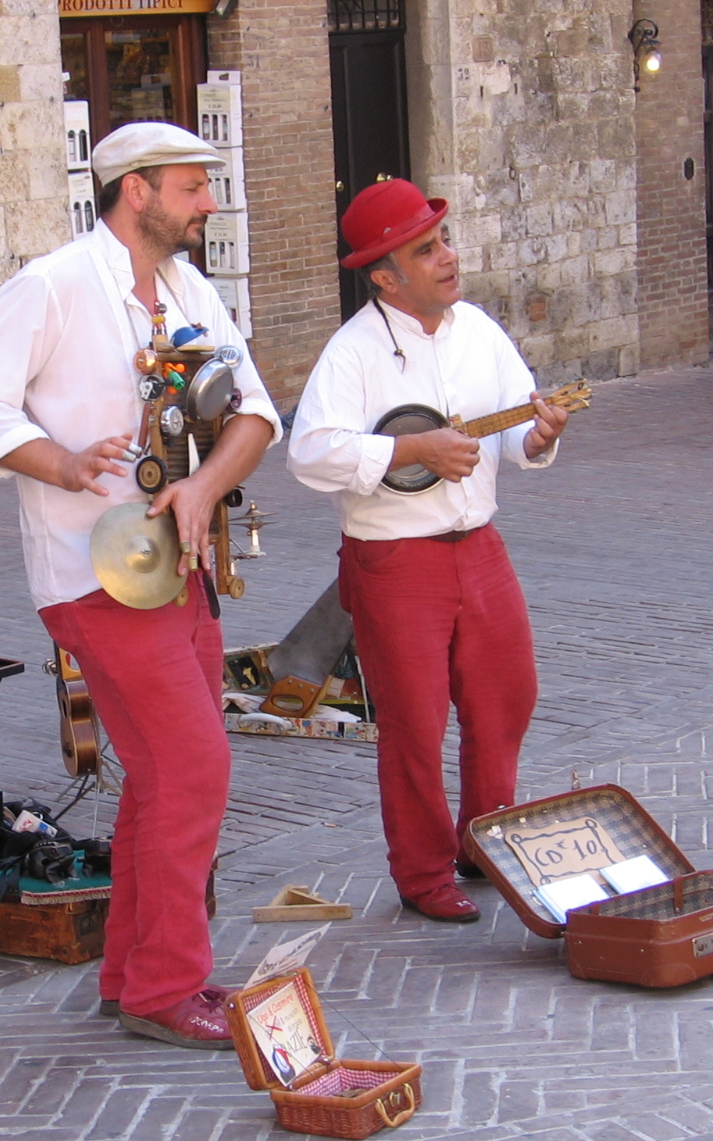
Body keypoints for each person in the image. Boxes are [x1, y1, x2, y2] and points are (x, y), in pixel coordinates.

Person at [0, 123, 279, 1048]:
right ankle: (168, 988)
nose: (207, 202)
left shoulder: (190, 288)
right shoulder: (51, 285)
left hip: (179, 568)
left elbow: (256, 412)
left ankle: (133, 973)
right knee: (194, 768)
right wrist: (56, 462)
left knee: (164, 777)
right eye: (191, 187)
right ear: (136, 191)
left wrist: (201, 489)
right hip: (93, 575)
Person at [286, 180, 568, 923]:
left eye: (443, 241)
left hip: (480, 546)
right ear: (386, 278)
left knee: (507, 696)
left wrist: (538, 436)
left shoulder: (478, 329)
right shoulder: (352, 352)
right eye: (426, 251)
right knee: (414, 723)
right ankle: (422, 872)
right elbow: (308, 453)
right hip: (395, 559)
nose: (448, 257)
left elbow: (517, 428)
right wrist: (410, 449)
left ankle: (485, 841)